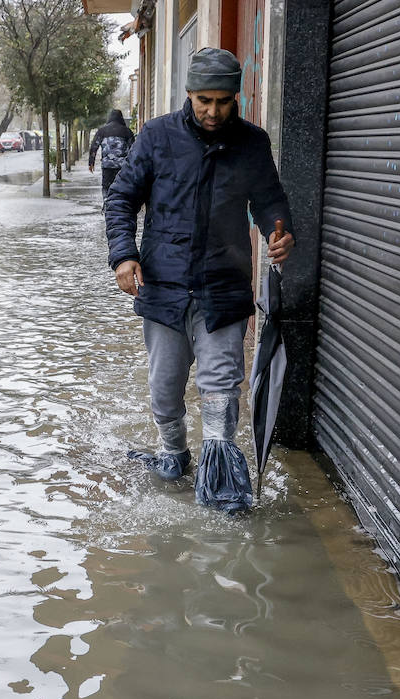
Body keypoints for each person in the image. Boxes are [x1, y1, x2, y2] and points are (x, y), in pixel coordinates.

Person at [104, 47, 295, 512]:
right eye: (203, 100)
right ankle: (173, 455)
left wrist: (282, 232)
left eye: (223, 101)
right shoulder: (156, 137)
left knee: (220, 384)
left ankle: (221, 482)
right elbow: (121, 199)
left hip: (223, 288)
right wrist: (124, 256)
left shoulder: (252, 143)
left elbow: (271, 203)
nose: (212, 111)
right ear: (189, 94)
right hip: (164, 287)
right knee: (164, 390)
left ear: (237, 98)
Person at [88, 109, 135, 195]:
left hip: (107, 165)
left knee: (106, 186)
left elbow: (94, 147)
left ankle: (106, 204)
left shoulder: (102, 131)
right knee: (121, 187)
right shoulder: (127, 131)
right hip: (122, 166)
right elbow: (134, 149)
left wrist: (91, 163)